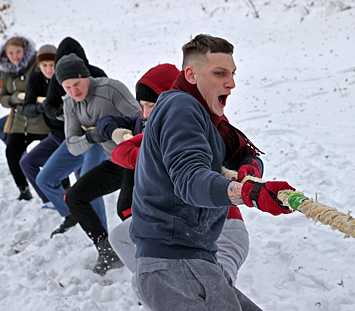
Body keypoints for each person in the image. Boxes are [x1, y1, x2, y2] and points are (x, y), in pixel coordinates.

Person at [130, 34, 295, 310]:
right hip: (175, 267)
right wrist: (248, 192)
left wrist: (250, 168)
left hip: (192, 262)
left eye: (232, 73)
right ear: (191, 75)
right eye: (220, 73)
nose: (231, 83)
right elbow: (190, 179)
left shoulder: (207, 120)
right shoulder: (180, 106)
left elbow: (241, 152)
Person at [101, 63, 250, 287]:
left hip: (222, 229)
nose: (145, 114)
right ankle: (156, 284)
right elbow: (120, 152)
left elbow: (245, 158)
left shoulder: (209, 125)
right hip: (177, 225)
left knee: (213, 291)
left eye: (150, 105)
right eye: (142, 106)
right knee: (121, 239)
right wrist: (156, 156)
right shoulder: (162, 130)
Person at [54, 53, 142, 275]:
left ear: (87, 76)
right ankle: (107, 250)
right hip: (115, 162)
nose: (74, 91)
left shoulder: (111, 89)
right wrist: (93, 137)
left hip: (137, 159)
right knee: (75, 197)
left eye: (77, 83)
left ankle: (147, 259)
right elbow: (73, 145)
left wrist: (114, 128)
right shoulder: (70, 104)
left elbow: (143, 120)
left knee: (125, 210)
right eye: (67, 87)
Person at [35, 37, 108, 237]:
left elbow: (112, 106)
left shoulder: (96, 74)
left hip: (98, 138)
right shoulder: (59, 79)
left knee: (87, 184)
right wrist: (59, 114)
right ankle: (73, 213)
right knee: (45, 179)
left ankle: (104, 242)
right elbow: (49, 106)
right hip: (74, 137)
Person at [0, 36, 50, 201]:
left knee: (50, 154)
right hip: (21, 122)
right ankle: (23, 188)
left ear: (25, 50)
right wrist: (12, 99)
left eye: (18, 52)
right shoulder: (5, 71)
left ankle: (63, 186)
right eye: (10, 53)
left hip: (41, 119)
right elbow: (3, 97)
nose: (14, 56)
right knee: (12, 152)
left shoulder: (36, 66)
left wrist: (30, 98)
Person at [18, 44, 70, 209]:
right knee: (27, 162)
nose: (48, 69)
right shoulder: (35, 79)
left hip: (72, 135)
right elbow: (27, 109)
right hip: (54, 135)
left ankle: (80, 203)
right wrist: (44, 106)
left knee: (80, 172)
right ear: (39, 66)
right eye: (44, 65)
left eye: (52, 64)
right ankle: (50, 200)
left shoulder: (65, 78)